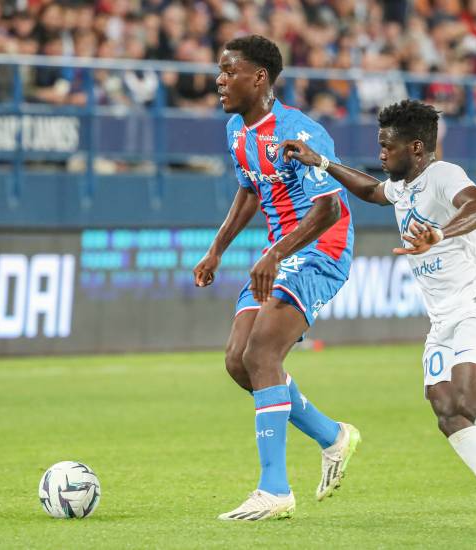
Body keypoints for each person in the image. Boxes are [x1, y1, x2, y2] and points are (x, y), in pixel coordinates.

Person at [280, 99, 476, 531]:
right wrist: (324, 162)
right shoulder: (404, 185)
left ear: (417, 147)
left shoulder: (444, 175)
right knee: (447, 409)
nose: (381, 153)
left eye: (388, 146)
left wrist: (440, 232)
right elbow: (371, 191)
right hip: (442, 320)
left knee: (470, 397)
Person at [193, 34, 360, 521]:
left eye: (229, 71)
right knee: (238, 362)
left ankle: (275, 490)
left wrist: (276, 253)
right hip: (280, 253)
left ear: (259, 77)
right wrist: (216, 249)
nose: (219, 80)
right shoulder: (235, 130)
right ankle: (333, 436)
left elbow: (329, 208)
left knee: (262, 352)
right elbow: (248, 190)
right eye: (220, 71)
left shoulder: (298, 132)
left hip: (319, 249)